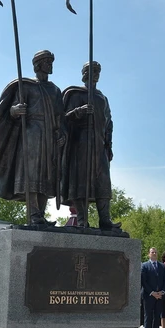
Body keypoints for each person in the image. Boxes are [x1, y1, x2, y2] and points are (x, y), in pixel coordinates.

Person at [0, 50, 64, 227]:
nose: (50, 65)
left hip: (49, 134)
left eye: (51, 61)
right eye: (47, 61)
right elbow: (8, 110)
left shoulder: (55, 90)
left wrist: (61, 133)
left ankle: (40, 214)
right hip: (31, 133)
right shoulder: (25, 86)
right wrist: (15, 110)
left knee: (47, 175)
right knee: (32, 174)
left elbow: (60, 117)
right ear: (38, 65)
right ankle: (34, 215)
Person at [60, 61, 115, 230]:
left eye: (98, 71)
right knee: (81, 182)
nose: (95, 74)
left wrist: (109, 144)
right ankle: (83, 220)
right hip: (81, 143)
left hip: (99, 145)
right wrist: (79, 111)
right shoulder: (74, 94)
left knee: (103, 182)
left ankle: (105, 220)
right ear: (84, 74)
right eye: (92, 71)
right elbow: (62, 118)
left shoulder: (102, 98)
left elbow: (109, 123)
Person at [140, 247, 165, 328]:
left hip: (159, 296)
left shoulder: (162, 266)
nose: (154, 254)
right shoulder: (144, 266)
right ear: (149, 254)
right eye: (152, 252)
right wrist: (152, 293)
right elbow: (144, 281)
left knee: (157, 317)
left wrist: (161, 292)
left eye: (155, 252)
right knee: (148, 316)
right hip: (148, 296)